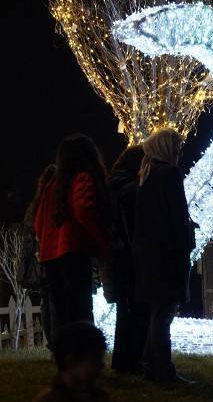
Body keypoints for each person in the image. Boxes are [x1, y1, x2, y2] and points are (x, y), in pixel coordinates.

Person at [133, 129, 194, 385]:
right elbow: (176, 216)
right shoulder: (169, 175)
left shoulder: (146, 177)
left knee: (157, 312)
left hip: (150, 255)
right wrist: (187, 236)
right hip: (167, 256)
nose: (179, 154)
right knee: (164, 314)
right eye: (177, 148)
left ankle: (150, 366)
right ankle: (164, 371)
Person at [33, 134, 112, 330]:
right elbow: (85, 210)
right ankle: (83, 353)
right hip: (73, 252)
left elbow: (38, 222)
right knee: (80, 309)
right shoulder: (81, 178)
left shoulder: (52, 184)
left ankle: (66, 355)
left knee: (62, 312)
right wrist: (102, 240)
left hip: (50, 258)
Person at [100, 146, 149, 375]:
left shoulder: (111, 184)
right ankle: (131, 361)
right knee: (133, 310)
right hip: (128, 257)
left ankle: (123, 361)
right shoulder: (130, 190)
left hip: (116, 256)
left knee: (125, 309)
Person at [23, 165, 56, 348]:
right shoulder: (52, 201)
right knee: (53, 300)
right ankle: (55, 340)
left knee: (46, 300)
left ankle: (51, 340)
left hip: (40, 258)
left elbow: (29, 232)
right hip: (51, 255)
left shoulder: (34, 205)